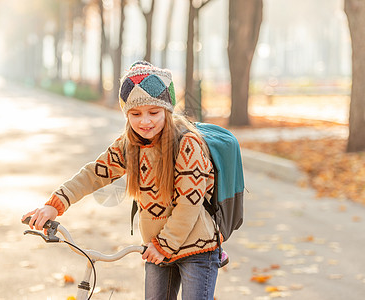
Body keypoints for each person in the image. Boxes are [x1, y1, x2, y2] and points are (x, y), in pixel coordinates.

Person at [22, 61, 224, 300]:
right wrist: (54, 204)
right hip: (156, 248)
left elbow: (189, 204)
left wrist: (164, 245)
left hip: (196, 248)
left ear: (167, 111)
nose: (145, 121)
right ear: (126, 114)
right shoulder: (130, 145)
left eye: (153, 112)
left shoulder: (188, 144)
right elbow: (94, 174)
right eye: (135, 114)